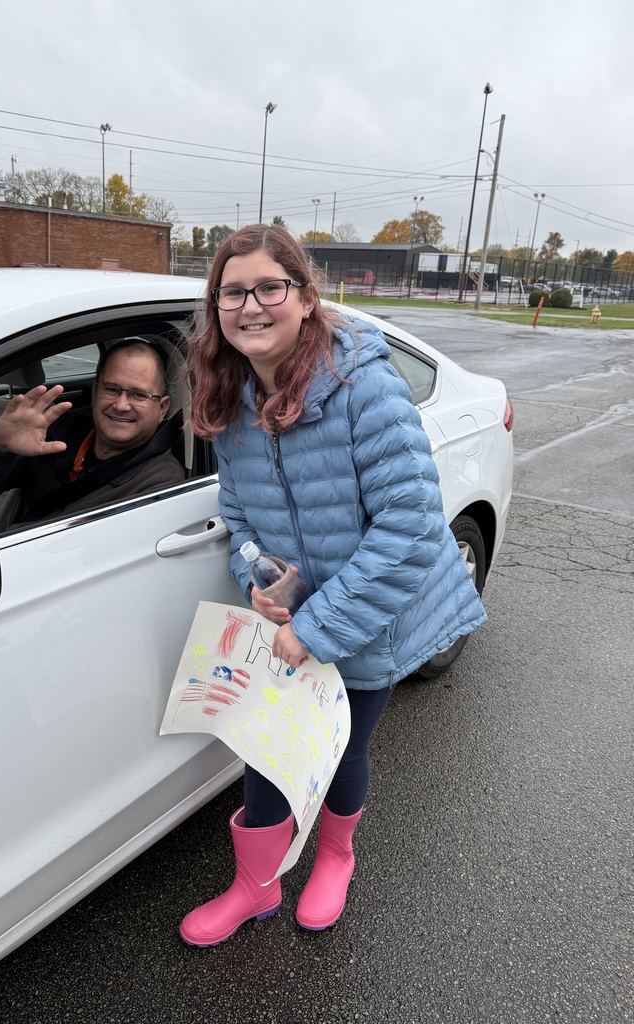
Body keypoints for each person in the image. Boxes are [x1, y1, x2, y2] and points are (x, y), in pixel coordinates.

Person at [181, 224, 486, 946]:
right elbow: (237, 515)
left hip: (374, 614)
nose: (250, 305)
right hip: (292, 621)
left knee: (338, 748)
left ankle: (336, 857)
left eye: (268, 288)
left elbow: (410, 526)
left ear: (306, 296)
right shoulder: (230, 395)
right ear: (217, 306)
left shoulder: (363, 386)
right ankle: (255, 886)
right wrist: (262, 578)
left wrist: (314, 629)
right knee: (265, 746)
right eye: (232, 292)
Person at [0, 341, 184, 523]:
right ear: (94, 393)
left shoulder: (160, 482)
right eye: (111, 389)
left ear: (162, 408)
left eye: (138, 394)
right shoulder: (58, 430)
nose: (121, 405)